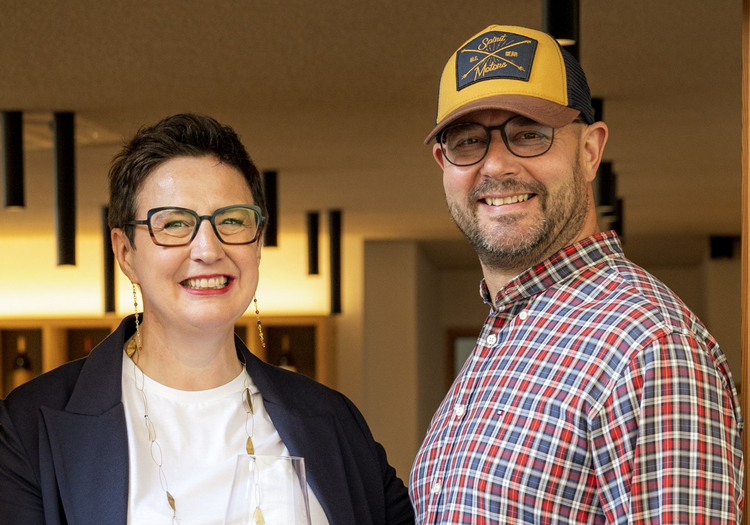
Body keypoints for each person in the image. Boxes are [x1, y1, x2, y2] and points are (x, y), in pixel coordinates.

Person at [0, 113, 415, 525]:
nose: (208, 250)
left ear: (257, 244)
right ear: (126, 252)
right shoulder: (29, 426)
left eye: (231, 221)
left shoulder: (333, 419)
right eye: (174, 224)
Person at [410, 25, 743, 523]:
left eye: (529, 134)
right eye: (467, 141)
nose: (495, 165)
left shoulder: (648, 347)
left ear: (589, 151)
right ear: (444, 163)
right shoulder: (504, 337)